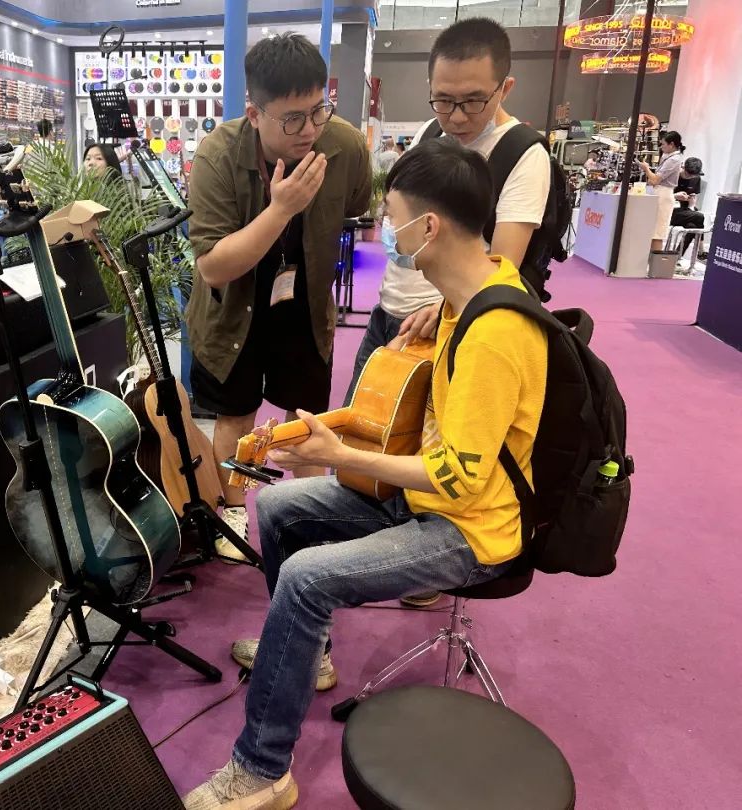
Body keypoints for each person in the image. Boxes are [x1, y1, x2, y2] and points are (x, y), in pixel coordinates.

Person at [182, 137, 547, 810]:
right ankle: (308, 651)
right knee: (279, 508)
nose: (386, 231)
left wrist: (342, 456)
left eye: (394, 219)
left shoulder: (495, 333)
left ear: (429, 228)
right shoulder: (470, 293)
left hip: (470, 530)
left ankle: (262, 770)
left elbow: (458, 479)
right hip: (427, 500)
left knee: (305, 575)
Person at [344, 18, 550, 605]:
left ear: (504, 88)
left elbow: (499, 265)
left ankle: (423, 566)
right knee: (371, 443)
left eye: (472, 101)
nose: (456, 116)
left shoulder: (523, 154)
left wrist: (444, 310)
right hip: (396, 311)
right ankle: (380, 555)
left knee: (441, 453)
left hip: (453, 326)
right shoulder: (430, 133)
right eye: (443, 99)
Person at [185, 33, 370, 556]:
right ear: (255, 113)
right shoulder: (218, 154)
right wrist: (281, 209)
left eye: (318, 111)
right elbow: (214, 267)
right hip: (233, 308)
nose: (309, 129)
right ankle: (236, 510)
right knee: (237, 415)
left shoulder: (344, 146)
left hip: (306, 302)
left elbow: (359, 207)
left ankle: (308, 515)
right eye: (292, 118)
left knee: (307, 418)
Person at [640, 130, 686, 252]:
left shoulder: (674, 159)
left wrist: (646, 169)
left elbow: (655, 180)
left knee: (657, 232)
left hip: (663, 195)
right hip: (658, 193)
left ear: (672, 144)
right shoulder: (668, 157)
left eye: (663, 144)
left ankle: (654, 261)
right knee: (652, 230)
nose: (661, 147)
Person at [671, 156, 705, 262]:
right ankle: (701, 250)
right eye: (687, 174)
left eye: (693, 175)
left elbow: (694, 196)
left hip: (686, 210)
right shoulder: (673, 175)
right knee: (700, 216)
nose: (690, 177)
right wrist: (675, 196)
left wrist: (691, 205)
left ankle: (676, 257)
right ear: (683, 167)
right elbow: (661, 195)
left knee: (692, 226)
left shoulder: (696, 178)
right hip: (670, 210)